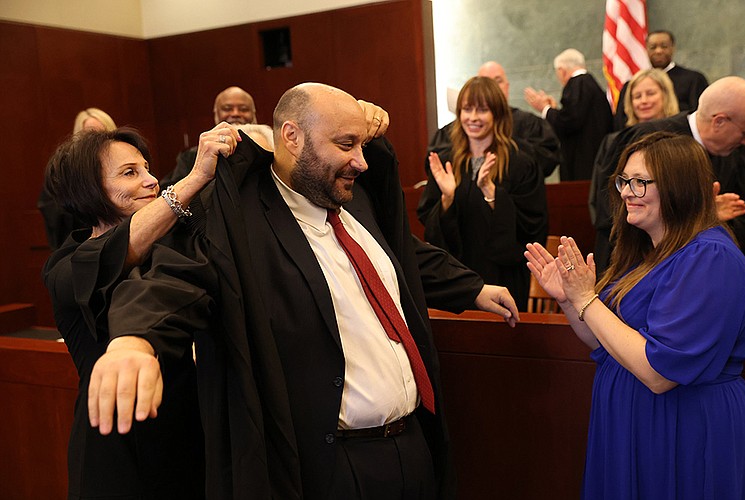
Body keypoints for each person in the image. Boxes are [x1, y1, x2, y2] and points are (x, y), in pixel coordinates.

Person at [86, 83, 519, 499]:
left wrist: (473, 288)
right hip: (336, 466)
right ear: (291, 138)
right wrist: (133, 343)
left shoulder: (353, 200)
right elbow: (173, 279)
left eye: (362, 146)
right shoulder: (243, 222)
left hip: (412, 446)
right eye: (346, 144)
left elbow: (398, 257)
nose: (362, 162)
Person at [526, 132, 745, 499]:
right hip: (635, 422)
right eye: (624, 180)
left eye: (639, 182)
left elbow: (659, 373)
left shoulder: (709, 257)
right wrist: (568, 300)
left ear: (679, 187)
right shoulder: (646, 254)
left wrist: (586, 299)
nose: (626, 192)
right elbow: (604, 341)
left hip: (683, 427)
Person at [41, 122, 241, 498]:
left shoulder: (169, 246)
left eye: (147, 168)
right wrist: (195, 177)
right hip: (117, 447)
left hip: (185, 436)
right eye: (130, 173)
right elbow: (120, 248)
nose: (151, 181)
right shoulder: (65, 265)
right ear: (88, 189)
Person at [592, 76, 745, 275]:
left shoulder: (731, 155)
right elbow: (614, 211)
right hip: (640, 273)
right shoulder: (648, 141)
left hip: (703, 273)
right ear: (719, 121)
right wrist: (704, 214)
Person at [418, 76, 548, 309]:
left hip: (503, 276)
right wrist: (447, 200)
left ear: (497, 114)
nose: (473, 118)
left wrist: (491, 194)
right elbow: (432, 229)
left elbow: (531, 226)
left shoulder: (521, 162)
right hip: (458, 278)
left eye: (482, 110)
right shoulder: (447, 161)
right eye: (467, 109)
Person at [589, 68, 680, 260]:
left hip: (673, 242)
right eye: (637, 96)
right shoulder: (614, 142)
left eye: (651, 93)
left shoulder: (682, 143)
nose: (644, 101)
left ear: (666, 95)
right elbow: (601, 198)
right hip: (622, 244)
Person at [429, 61, 562, 177]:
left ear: (507, 86)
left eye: (497, 81)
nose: (491, 87)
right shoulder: (458, 128)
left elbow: (547, 158)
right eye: (485, 81)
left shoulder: (529, 123)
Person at [524, 48, 612, 180]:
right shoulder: (589, 83)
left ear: (561, 70)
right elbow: (575, 118)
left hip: (582, 167)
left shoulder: (577, 83)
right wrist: (554, 110)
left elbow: (569, 122)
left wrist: (545, 109)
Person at [38, 108, 119, 250]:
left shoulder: (126, 164)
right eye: (91, 133)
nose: (97, 139)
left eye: (103, 132)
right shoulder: (64, 170)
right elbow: (54, 211)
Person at [162, 85, 258, 185]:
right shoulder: (194, 155)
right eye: (227, 109)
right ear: (216, 114)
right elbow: (172, 191)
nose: (235, 113)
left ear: (254, 114)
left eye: (243, 109)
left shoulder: (269, 149)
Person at [613, 31, 709, 130]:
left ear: (673, 48)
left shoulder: (694, 79)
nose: (658, 51)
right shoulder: (633, 84)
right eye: (653, 47)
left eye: (664, 46)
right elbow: (620, 121)